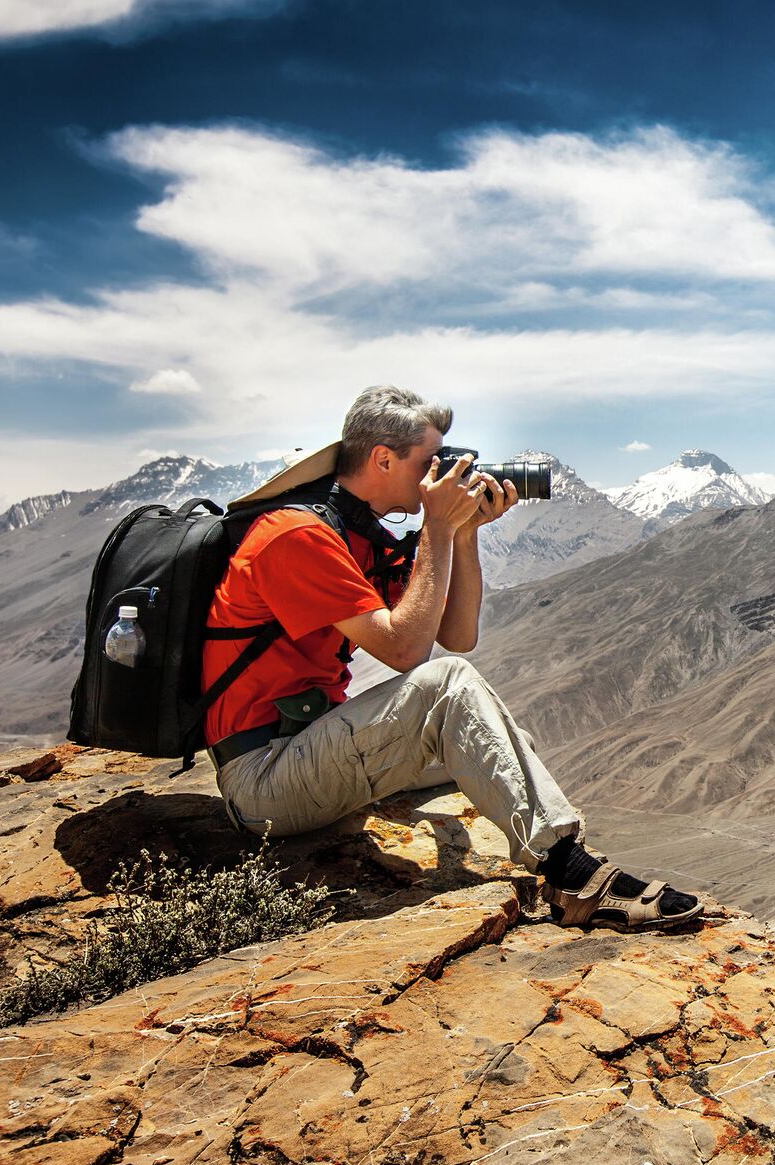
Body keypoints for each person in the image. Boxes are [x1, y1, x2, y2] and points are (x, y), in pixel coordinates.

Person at [203, 384, 700, 930]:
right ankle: (572, 875)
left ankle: (554, 858)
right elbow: (406, 651)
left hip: (309, 751)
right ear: (383, 458)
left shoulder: (359, 537)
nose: (444, 473)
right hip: (266, 779)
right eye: (431, 461)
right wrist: (437, 526)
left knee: (503, 745)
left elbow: (458, 635)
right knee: (451, 688)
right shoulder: (295, 535)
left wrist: (462, 534)